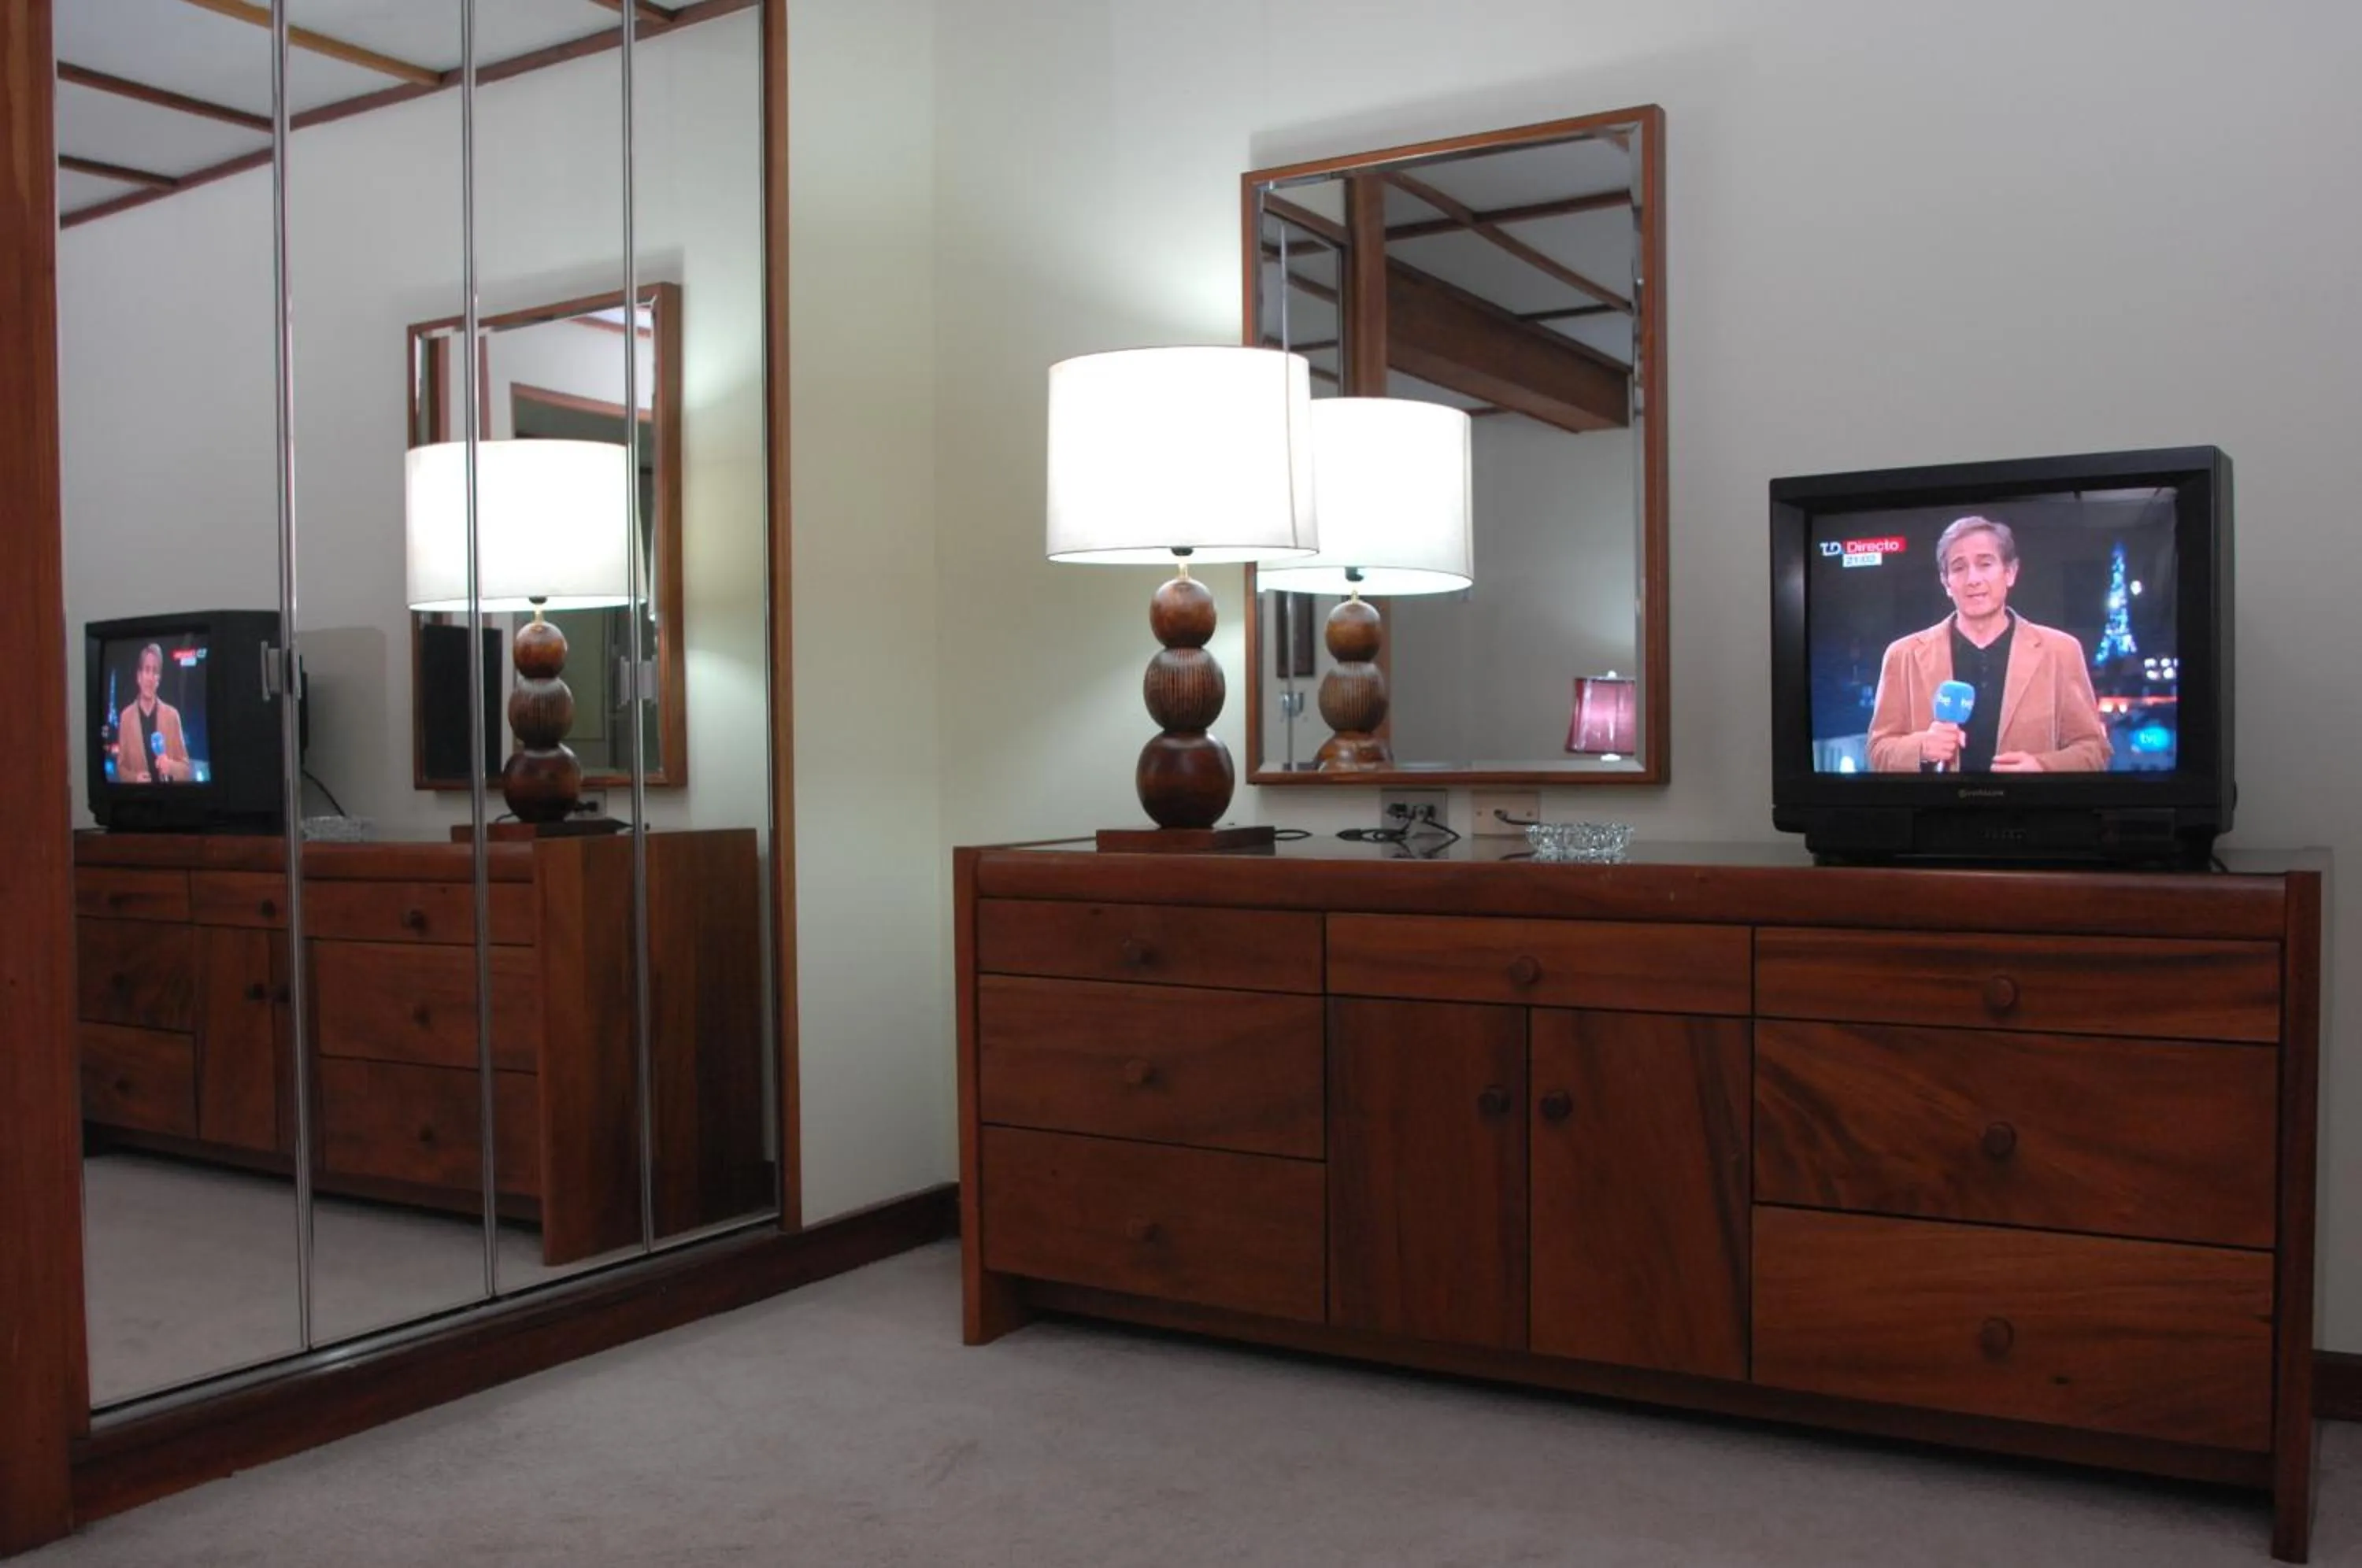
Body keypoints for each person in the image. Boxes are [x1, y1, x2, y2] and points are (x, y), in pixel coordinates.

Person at [1866, 516, 2112, 773]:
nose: (1973, 579)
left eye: (1985, 564)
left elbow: (2094, 749)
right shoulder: (1903, 655)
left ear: (2010, 573)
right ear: (1946, 582)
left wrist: (2042, 767)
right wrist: (1921, 748)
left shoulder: (2061, 651)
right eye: (1959, 568)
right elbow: (1877, 751)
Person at [117, 642, 193, 783]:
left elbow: (186, 769)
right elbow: (121, 768)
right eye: (147, 670)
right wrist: (135, 779)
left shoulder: (172, 716)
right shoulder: (126, 717)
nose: (150, 677)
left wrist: (170, 766)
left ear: (159, 679)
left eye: (155, 671)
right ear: (139, 676)